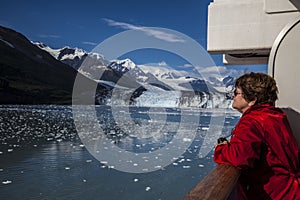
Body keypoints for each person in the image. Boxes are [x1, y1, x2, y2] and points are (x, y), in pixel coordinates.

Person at [214, 72, 300, 199]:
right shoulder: (274, 116)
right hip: (290, 190)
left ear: (252, 100)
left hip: (275, 194)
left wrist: (221, 149)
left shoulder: (252, 121)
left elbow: (239, 158)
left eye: (237, 93)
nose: (233, 95)